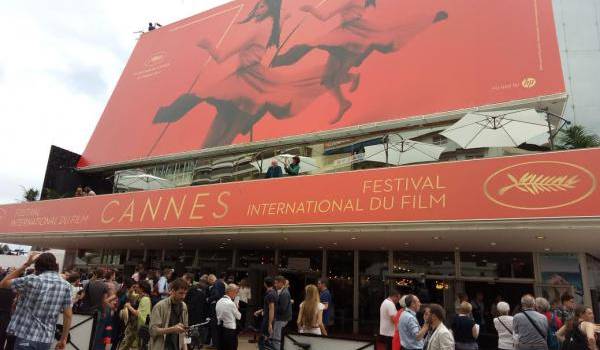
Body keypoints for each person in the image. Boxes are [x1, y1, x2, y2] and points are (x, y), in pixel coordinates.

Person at [0, 252, 72, 350]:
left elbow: (3, 284)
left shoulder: (32, 280)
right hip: (45, 340)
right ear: (55, 265)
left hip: (25, 336)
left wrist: (26, 264)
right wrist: (63, 338)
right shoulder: (66, 285)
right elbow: (68, 315)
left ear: (37, 266)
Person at [149, 278, 189, 350]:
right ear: (173, 291)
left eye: (185, 293)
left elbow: (184, 333)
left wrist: (185, 348)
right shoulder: (160, 306)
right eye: (181, 293)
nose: (183, 296)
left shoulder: (184, 306)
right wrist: (173, 329)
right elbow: (153, 330)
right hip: (162, 346)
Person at [119, 280, 151, 350]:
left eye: (137, 287)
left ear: (142, 289)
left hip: (138, 326)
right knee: (126, 343)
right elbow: (131, 295)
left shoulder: (145, 299)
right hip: (134, 325)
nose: (136, 289)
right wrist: (131, 290)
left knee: (132, 345)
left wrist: (129, 306)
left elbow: (138, 313)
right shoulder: (140, 296)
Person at [216, 284, 241, 350]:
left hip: (220, 329)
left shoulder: (219, 301)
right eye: (236, 292)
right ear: (231, 292)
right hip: (230, 331)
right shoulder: (231, 303)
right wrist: (236, 307)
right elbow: (239, 316)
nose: (236, 295)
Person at [255, 277, 277, 350]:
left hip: (267, 319)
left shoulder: (270, 294)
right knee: (265, 340)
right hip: (268, 318)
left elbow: (271, 309)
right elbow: (269, 307)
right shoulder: (273, 292)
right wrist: (260, 311)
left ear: (265, 284)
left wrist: (270, 323)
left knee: (262, 339)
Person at [207, 274, 226, 349]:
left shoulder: (217, 283)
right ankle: (216, 344)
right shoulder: (220, 283)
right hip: (219, 306)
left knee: (214, 326)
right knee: (216, 326)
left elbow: (217, 295)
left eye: (210, 282)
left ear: (211, 279)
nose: (210, 284)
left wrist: (209, 299)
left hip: (215, 307)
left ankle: (216, 344)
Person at [273, 276, 292, 350]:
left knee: (276, 339)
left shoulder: (284, 293)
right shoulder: (283, 291)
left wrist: (272, 308)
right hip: (281, 318)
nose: (275, 285)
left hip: (281, 319)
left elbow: (282, 309)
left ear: (281, 283)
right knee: (276, 337)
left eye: (276, 283)